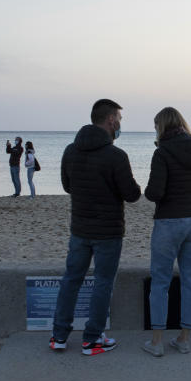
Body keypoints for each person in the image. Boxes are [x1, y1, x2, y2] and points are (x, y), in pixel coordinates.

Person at [50, 99, 141, 355]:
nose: (120, 124)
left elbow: (67, 186)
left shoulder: (71, 150)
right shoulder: (116, 155)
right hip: (108, 232)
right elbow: (132, 194)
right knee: (103, 283)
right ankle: (92, 339)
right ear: (111, 120)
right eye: (120, 119)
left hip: (79, 228)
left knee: (71, 280)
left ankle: (59, 335)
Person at [141, 108, 191, 357]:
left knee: (160, 281)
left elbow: (155, 193)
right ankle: (183, 339)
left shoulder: (161, 152)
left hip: (168, 222)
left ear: (161, 126)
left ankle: (157, 341)